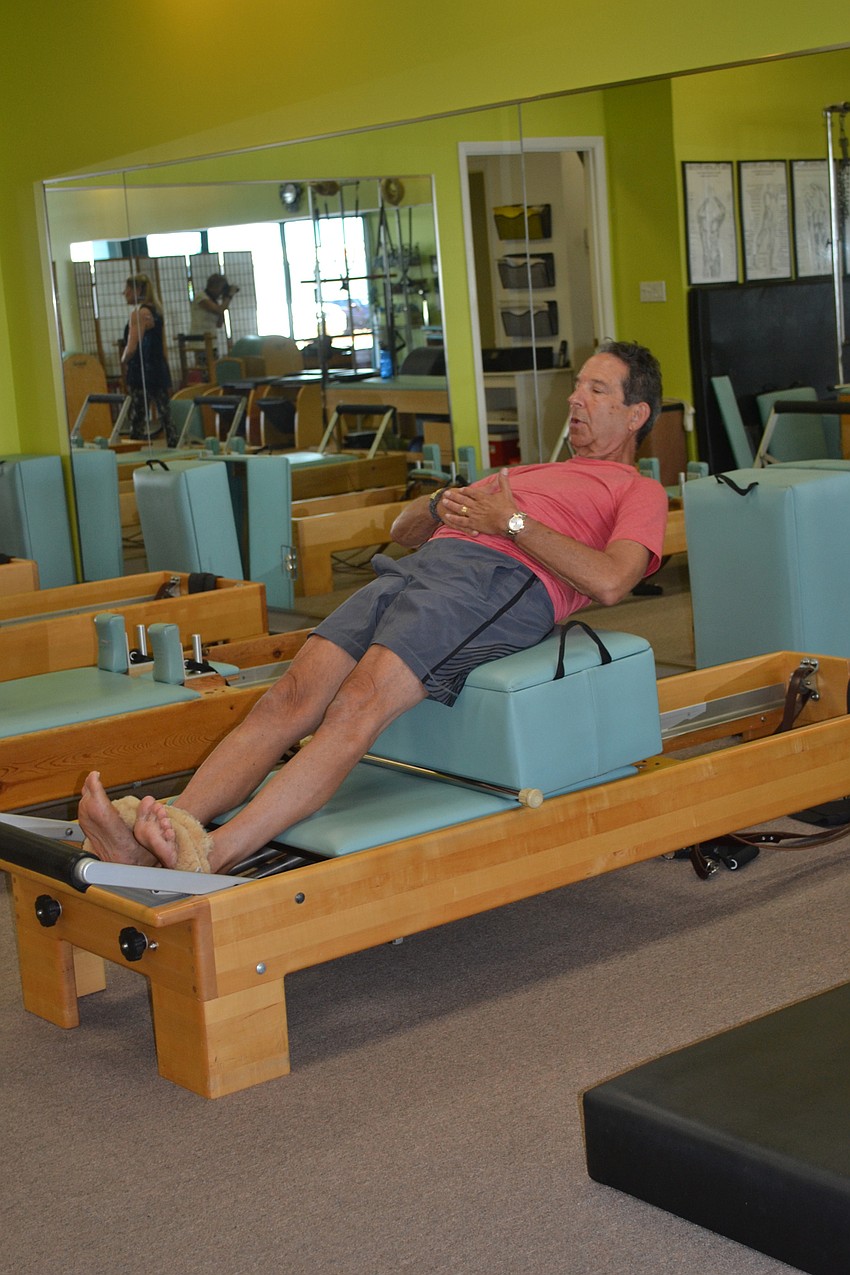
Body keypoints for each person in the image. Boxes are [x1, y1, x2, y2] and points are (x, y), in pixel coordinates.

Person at [79, 339, 668, 875]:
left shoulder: (634, 488)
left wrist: (508, 521)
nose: (575, 398)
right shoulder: (535, 469)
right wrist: (441, 502)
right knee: (289, 697)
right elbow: (401, 528)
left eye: (596, 389)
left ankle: (211, 854)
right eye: (577, 386)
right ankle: (173, 826)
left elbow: (615, 580)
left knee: (356, 703)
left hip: (495, 581)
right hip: (419, 566)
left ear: (636, 414)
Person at [121, 274, 176, 445]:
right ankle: (175, 445)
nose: (124, 293)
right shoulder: (156, 310)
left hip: (142, 370)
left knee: (137, 415)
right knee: (165, 413)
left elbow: (132, 346)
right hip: (157, 367)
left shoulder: (140, 313)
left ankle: (133, 449)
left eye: (128, 289)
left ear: (137, 290)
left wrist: (123, 360)